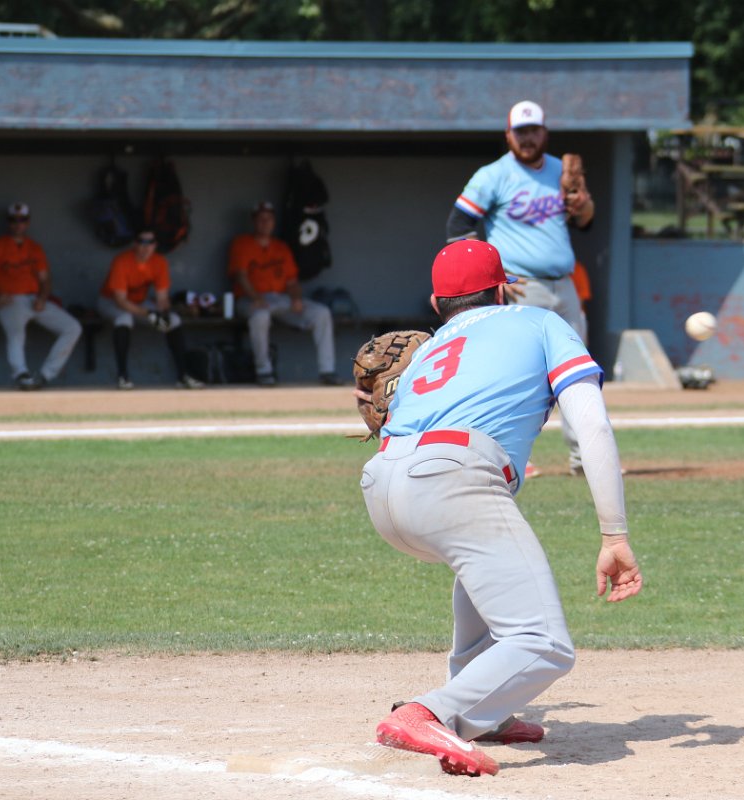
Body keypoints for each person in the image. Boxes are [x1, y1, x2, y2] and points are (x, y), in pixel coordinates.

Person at [359, 239, 641, 777]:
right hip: (453, 477)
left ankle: (483, 713)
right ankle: (432, 712)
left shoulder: (428, 352)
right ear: (503, 290)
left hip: (382, 483)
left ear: (437, 303)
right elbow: (592, 425)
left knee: (484, 560)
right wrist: (614, 534)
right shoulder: (540, 321)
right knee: (545, 644)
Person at [446, 100, 595, 477]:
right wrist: (490, 277)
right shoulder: (493, 175)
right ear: (508, 135)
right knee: (515, 373)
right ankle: (508, 457)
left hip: (564, 285)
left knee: (579, 373)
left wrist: (583, 205)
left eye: (533, 131)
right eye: (520, 132)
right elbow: (457, 227)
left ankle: (586, 459)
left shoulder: (560, 170)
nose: (528, 138)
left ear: (544, 132)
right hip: (522, 287)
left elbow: (585, 223)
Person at [227, 201, 342, 386]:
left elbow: (292, 281)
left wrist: (296, 299)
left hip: (279, 299)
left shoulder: (281, 247)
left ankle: (327, 370)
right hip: (249, 299)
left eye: (269, 219)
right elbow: (240, 275)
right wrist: (256, 298)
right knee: (260, 316)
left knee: (321, 313)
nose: (265, 223)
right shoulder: (242, 243)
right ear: (254, 221)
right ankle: (263, 371)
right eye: (261, 219)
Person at [0, 202, 82, 390]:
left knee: (73, 327)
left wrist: (42, 298)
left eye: (22, 220)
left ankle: (45, 375)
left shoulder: (34, 247)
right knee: (16, 334)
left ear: (28, 222)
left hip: (33, 299)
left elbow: (45, 279)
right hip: (10, 299)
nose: (18, 224)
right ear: (8, 222)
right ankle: (21, 374)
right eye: (13, 220)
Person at [97, 228, 204, 390]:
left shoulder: (159, 262)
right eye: (142, 242)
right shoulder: (122, 261)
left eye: (150, 242)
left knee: (173, 321)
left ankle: (183, 376)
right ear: (134, 244)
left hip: (140, 303)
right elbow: (120, 301)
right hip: (110, 301)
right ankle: (122, 377)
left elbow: (162, 299)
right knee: (124, 319)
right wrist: (149, 313)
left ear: (155, 245)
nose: (146, 246)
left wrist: (166, 312)